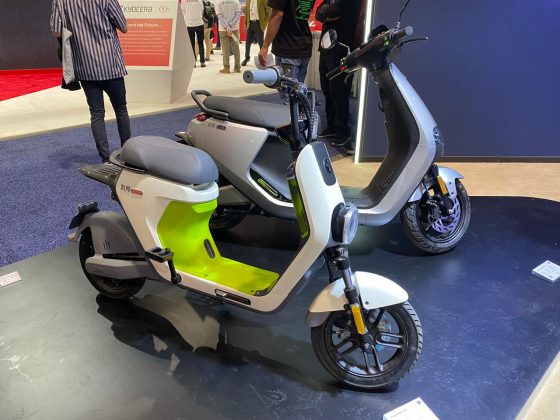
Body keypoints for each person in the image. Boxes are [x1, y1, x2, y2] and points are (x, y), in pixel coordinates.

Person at [50, 0, 130, 163]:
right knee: (121, 109)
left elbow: (56, 31)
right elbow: (124, 27)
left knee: (96, 113)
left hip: (85, 67)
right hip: (111, 65)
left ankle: (105, 158)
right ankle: (128, 154)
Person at [316, 0, 361, 151]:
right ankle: (332, 126)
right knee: (327, 89)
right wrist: (327, 12)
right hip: (326, 47)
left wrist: (327, 12)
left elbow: (332, 11)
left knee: (339, 91)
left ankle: (342, 131)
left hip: (341, 48)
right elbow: (319, 13)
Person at [258, 0, 313, 84]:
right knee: (298, 88)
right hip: (304, 44)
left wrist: (265, 46)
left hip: (288, 46)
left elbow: (277, 15)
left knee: (287, 89)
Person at [241, 0, 270, 66]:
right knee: (247, 43)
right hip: (250, 23)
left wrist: (265, 21)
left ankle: (263, 58)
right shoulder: (248, 1)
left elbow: (269, 10)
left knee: (261, 43)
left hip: (258, 23)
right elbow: (246, 12)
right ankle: (247, 58)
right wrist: (245, 23)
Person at [216, 0, 242, 73]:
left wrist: (227, 27)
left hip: (223, 29)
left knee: (225, 49)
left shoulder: (219, 2)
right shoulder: (236, 1)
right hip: (234, 28)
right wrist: (231, 25)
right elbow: (237, 16)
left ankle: (226, 68)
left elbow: (220, 17)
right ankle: (237, 67)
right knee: (236, 48)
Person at [181, 0, 206, 68]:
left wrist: (188, 18)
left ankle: (193, 62)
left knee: (191, 44)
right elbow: (202, 9)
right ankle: (202, 62)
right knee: (200, 43)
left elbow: (183, 11)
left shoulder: (184, 1)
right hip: (199, 23)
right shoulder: (199, 0)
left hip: (189, 24)